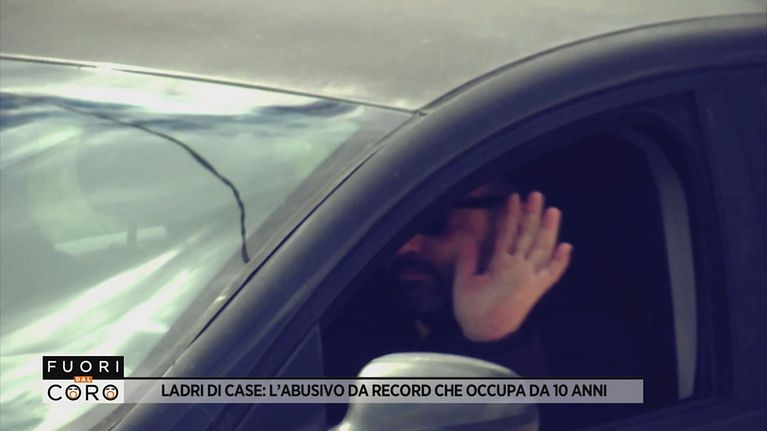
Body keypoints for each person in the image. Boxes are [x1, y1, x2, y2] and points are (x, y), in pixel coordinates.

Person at [390, 186, 572, 344]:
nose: (404, 246)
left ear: (517, 220)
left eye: (434, 221)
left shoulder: (571, 330)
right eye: (394, 225)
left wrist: (492, 342)